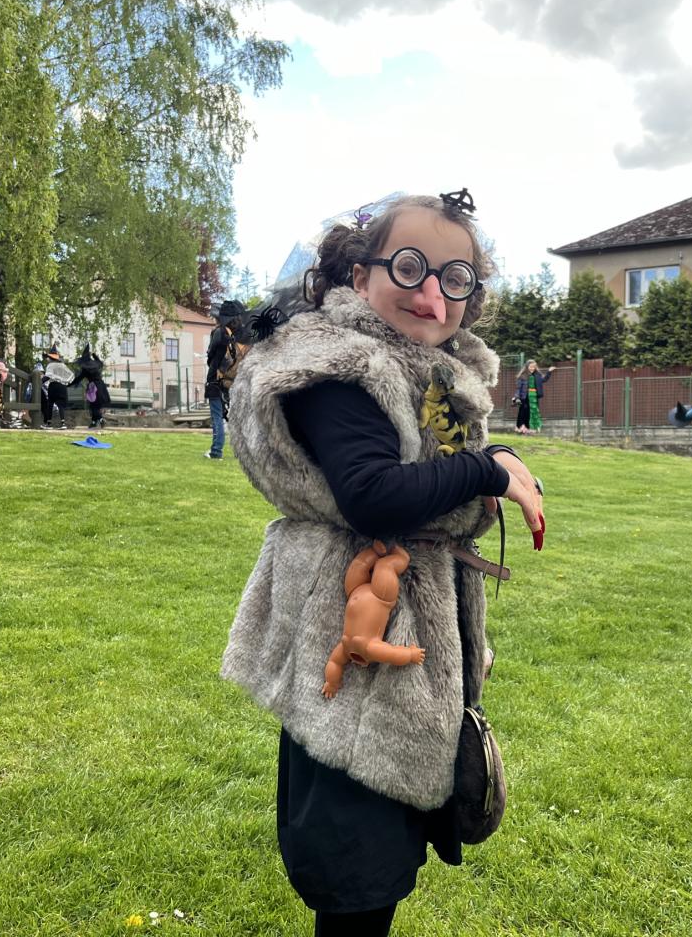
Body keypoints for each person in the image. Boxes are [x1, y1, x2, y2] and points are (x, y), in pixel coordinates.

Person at [220, 191, 544, 937]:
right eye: (409, 267)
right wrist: (486, 472)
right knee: (354, 855)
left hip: (403, 615)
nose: (432, 293)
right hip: (353, 620)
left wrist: (489, 457)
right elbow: (371, 495)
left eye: (455, 278)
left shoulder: (424, 369)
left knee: (387, 841)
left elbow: (438, 464)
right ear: (360, 275)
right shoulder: (340, 368)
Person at [204, 299, 245, 459]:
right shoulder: (241, 334)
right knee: (234, 418)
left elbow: (211, 356)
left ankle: (216, 450)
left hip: (216, 379)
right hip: (232, 381)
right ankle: (242, 451)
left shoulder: (219, 333)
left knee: (217, 416)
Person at [70, 344, 111, 429]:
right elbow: (99, 362)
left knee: (93, 405)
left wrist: (69, 384)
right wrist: (94, 355)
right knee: (96, 405)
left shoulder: (86, 369)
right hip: (101, 386)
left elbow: (78, 378)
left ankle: (100, 419)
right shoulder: (96, 365)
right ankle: (94, 422)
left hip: (93, 387)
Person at [513, 359, 554, 434]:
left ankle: (532, 429)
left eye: (534, 367)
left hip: (534, 398)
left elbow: (544, 379)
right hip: (525, 397)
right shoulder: (522, 376)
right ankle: (522, 429)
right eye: (531, 367)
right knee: (524, 413)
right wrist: (517, 397)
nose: (532, 368)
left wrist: (549, 372)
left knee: (534, 412)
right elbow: (518, 388)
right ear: (527, 367)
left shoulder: (537, 375)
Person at [41, 345, 72, 429]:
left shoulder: (51, 365)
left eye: (48, 357)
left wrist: (40, 381)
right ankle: (63, 423)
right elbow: (70, 376)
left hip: (54, 386)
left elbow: (48, 376)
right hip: (62, 386)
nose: (47, 359)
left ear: (50, 358)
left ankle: (49, 424)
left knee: (50, 404)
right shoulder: (62, 365)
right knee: (61, 405)